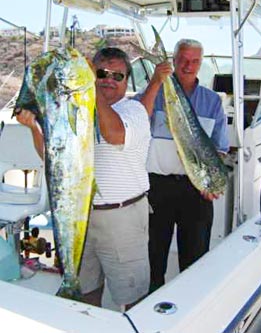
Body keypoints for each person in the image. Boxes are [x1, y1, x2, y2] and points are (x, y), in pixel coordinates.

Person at [16, 47, 151, 311]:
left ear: (127, 82)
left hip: (121, 219)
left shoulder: (134, 111)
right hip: (79, 216)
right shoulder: (79, 107)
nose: (108, 79)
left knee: (132, 298)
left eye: (118, 76)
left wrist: (90, 89)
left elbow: (114, 134)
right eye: (101, 73)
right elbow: (52, 156)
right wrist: (33, 126)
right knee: (86, 290)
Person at [139, 39, 229, 292]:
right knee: (153, 255)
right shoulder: (153, 93)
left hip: (195, 191)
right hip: (157, 186)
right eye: (183, 60)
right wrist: (156, 81)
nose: (188, 66)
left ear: (201, 63)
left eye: (195, 61)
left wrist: (207, 181)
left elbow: (219, 149)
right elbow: (134, 116)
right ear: (174, 60)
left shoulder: (212, 102)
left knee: (195, 258)